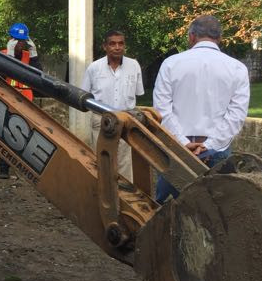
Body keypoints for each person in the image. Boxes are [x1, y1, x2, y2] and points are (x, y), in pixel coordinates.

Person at [152, 14, 250, 202]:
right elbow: (236, 116)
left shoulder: (171, 63)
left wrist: (182, 142)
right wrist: (208, 145)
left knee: (166, 208)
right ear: (219, 38)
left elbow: (162, 109)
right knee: (216, 208)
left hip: (176, 149)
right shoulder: (237, 68)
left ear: (191, 36)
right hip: (216, 150)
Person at [81, 29, 144, 180]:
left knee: (124, 163)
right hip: (101, 120)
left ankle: (125, 199)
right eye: (112, 44)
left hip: (126, 119)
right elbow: (84, 95)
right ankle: (102, 197)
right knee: (101, 162)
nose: (117, 47)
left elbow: (138, 92)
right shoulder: (94, 68)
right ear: (105, 46)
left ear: (124, 46)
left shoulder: (134, 65)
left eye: (120, 43)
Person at [0, 22, 42, 179]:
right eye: (17, 40)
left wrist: (34, 54)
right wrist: (9, 55)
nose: (20, 44)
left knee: (25, 136)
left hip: (26, 102)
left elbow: (39, 77)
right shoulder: (2, 54)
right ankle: (4, 169)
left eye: (23, 41)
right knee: (6, 134)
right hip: (8, 100)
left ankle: (23, 167)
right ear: (11, 40)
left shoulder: (28, 57)